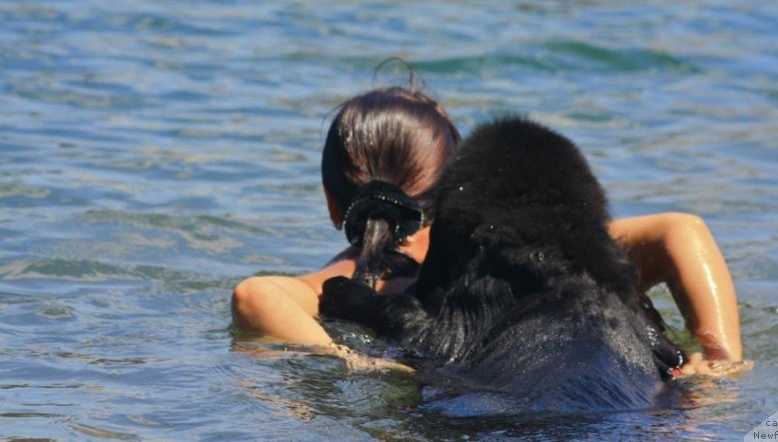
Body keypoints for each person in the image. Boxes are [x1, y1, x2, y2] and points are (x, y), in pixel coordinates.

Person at [231, 85, 744, 375]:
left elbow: (254, 295)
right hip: (621, 407)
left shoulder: (330, 288)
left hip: (473, 411)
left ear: (330, 202)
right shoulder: (539, 248)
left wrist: (361, 364)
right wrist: (722, 365)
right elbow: (682, 229)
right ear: (459, 183)